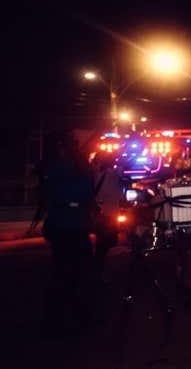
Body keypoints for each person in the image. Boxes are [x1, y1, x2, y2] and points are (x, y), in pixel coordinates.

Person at [39, 131, 96, 332]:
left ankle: (57, 318)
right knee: (81, 272)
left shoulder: (54, 168)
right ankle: (82, 316)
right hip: (78, 225)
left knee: (60, 272)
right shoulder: (82, 168)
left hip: (61, 224)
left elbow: (47, 195)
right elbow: (88, 196)